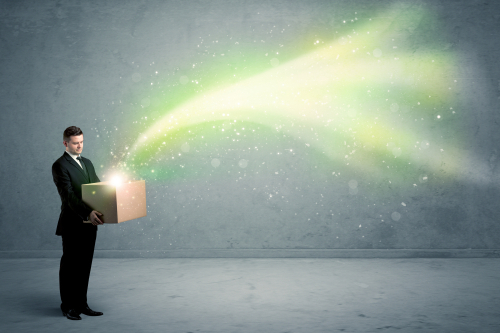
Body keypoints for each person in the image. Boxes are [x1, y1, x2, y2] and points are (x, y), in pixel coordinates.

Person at [52, 126, 104, 320]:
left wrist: (109, 207)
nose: (79, 146)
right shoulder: (59, 165)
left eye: (81, 142)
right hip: (73, 223)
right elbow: (68, 196)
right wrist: (87, 213)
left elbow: (98, 188)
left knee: (85, 264)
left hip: (90, 223)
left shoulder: (88, 163)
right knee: (70, 266)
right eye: (75, 143)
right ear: (65, 143)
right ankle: (68, 306)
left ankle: (82, 304)